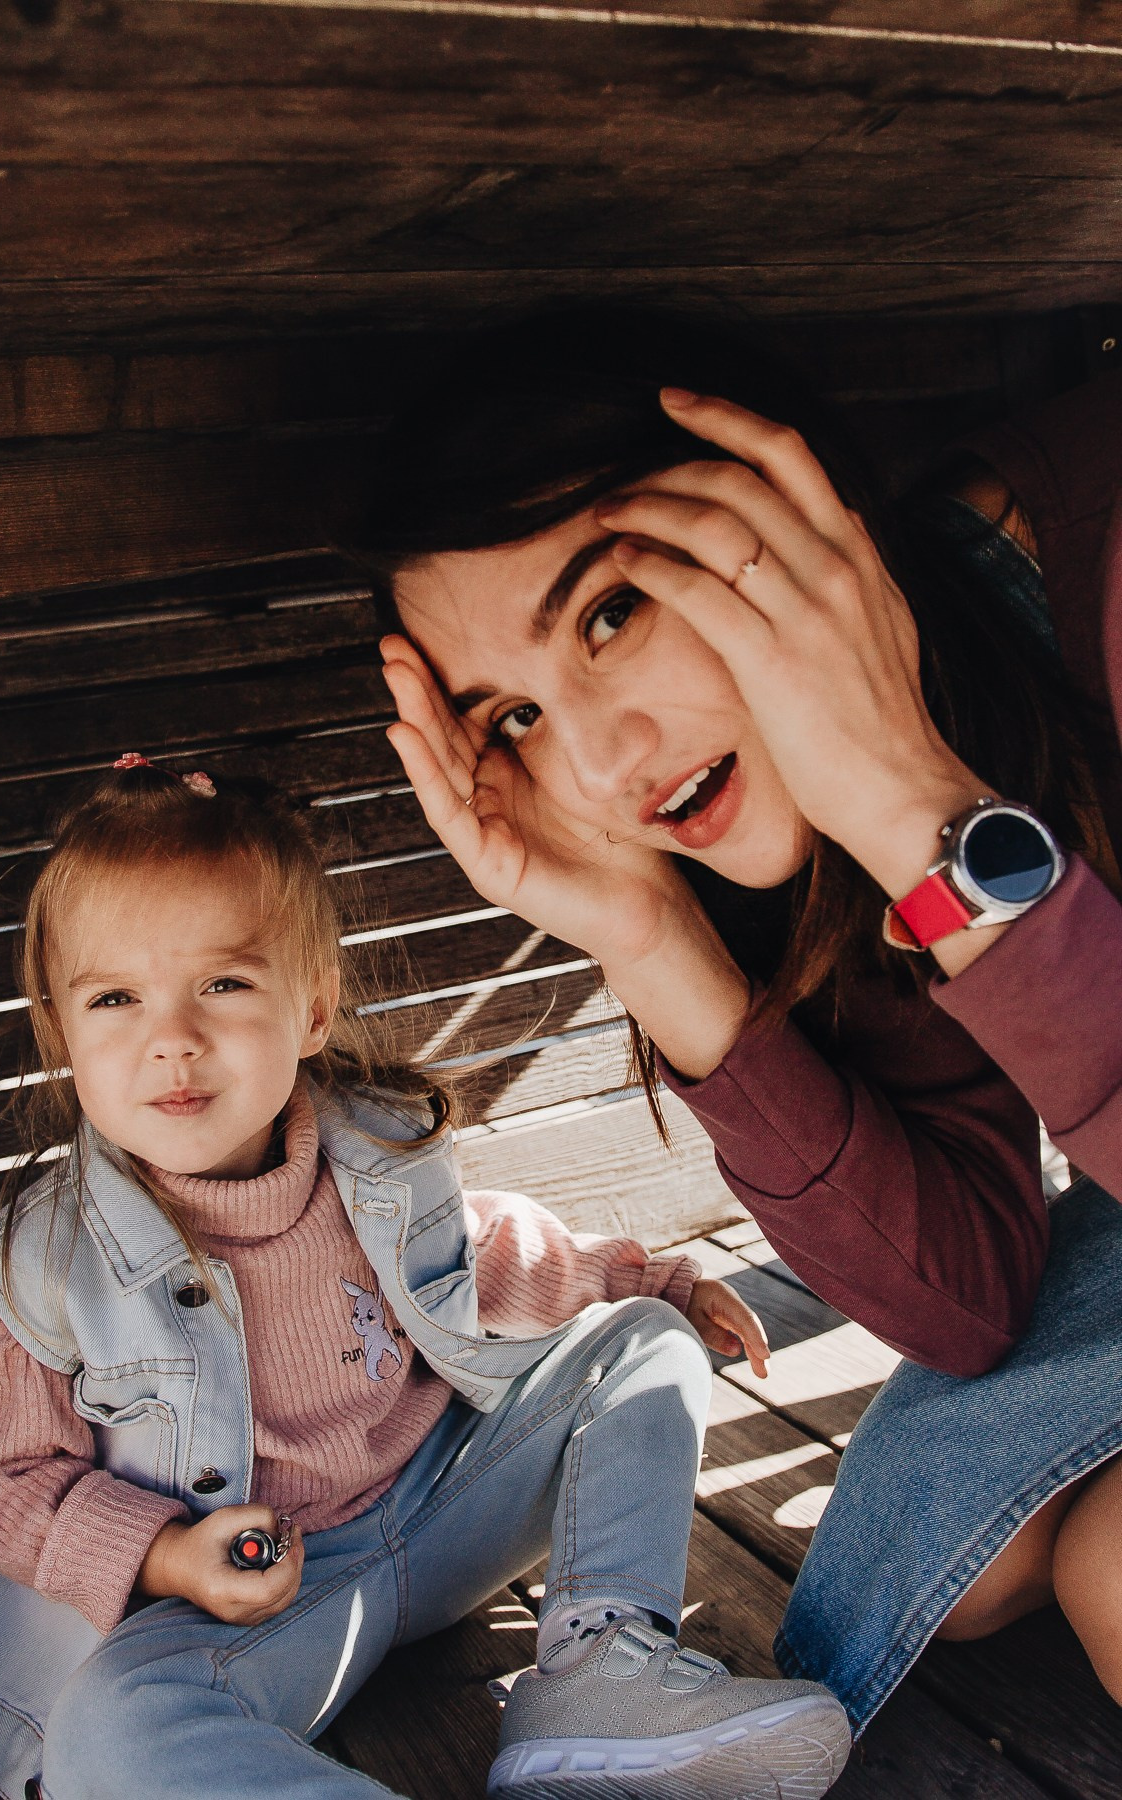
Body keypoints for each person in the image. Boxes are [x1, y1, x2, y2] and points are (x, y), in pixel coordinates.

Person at [357, 308, 1122, 1731]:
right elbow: (966, 1296)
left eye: (610, 615)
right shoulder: (816, 816)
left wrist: (921, 813)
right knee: (957, 1570)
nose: (597, 762)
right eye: (511, 716)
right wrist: (653, 941)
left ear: (792, 513)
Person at [0, 756, 852, 1800]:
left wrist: (642, 1282)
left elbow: (484, 1255)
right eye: (115, 999)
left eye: (224, 984)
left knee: (638, 1345)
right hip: (247, 1611)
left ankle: (603, 1671)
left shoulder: (372, 1154)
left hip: (440, 1512)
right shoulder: (38, 1267)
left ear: (313, 1009)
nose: (172, 1041)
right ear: (64, 1031)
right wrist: (164, 1558)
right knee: (112, 1732)